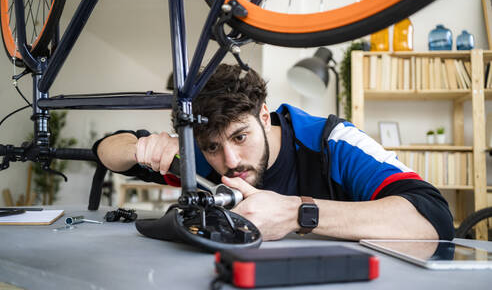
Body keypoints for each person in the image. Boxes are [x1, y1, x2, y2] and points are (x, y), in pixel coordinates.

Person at [94, 64, 454, 241]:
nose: (229, 162)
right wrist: (142, 147)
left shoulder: (332, 141)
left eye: (240, 137)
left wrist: (299, 212)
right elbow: (107, 151)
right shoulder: (201, 153)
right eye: (213, 147)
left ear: (263, 115)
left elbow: (434, 218)